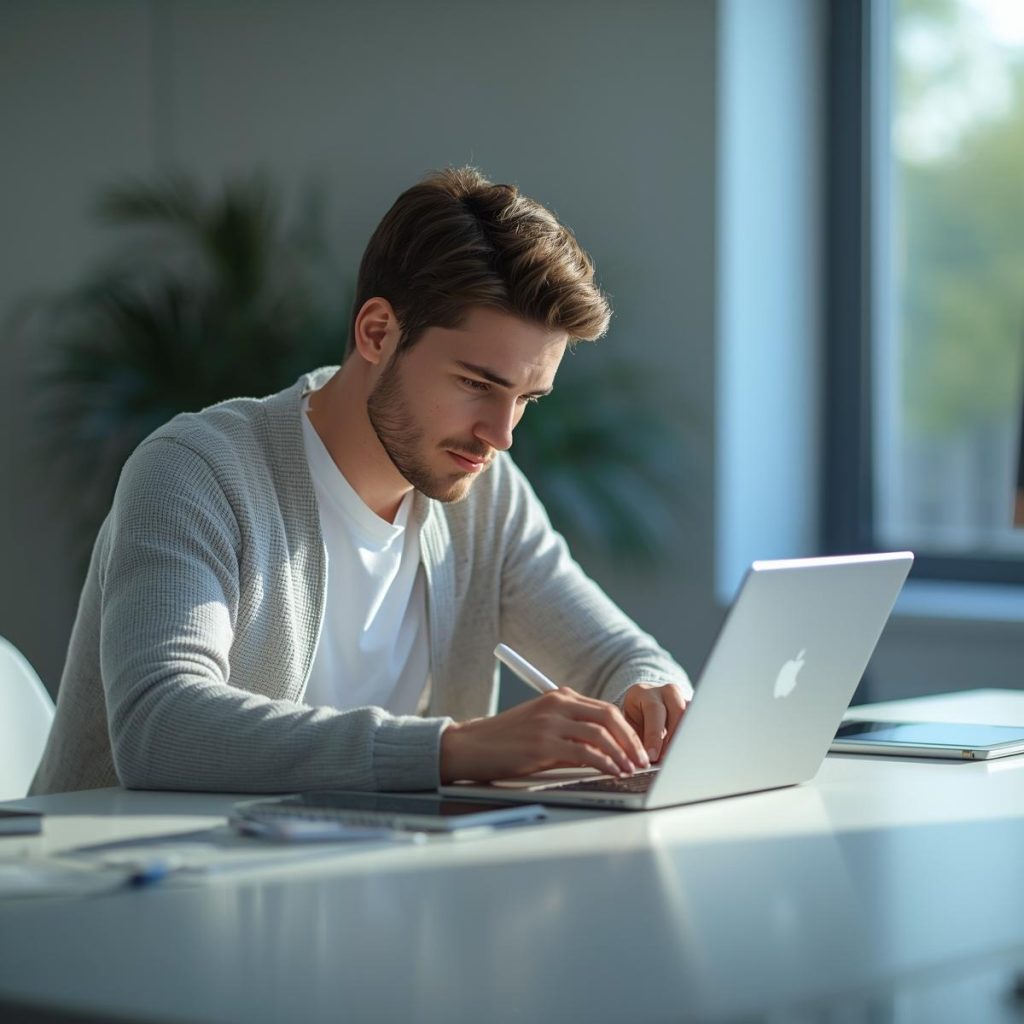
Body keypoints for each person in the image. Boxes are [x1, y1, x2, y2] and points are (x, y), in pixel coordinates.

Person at [31, 167, 691, 796]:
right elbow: (161, 725)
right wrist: (452, 750)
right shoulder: (197, 471)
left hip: (349, 888)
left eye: (527, 399)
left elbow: (614, 659)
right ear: (377, 332)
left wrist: (654, 693)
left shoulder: (485, 495)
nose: (501, 433)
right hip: (134, 893)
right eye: (476, 385)